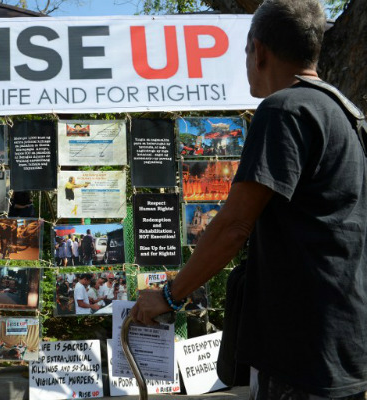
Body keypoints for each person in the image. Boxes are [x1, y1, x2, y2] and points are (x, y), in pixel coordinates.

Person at [131, 1, 367, 398]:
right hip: (346, 338)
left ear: (259, 51)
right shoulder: (345, 111)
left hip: (301, 351)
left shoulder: (283, 109)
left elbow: (234, 226)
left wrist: (169, 296)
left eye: (245, 52)